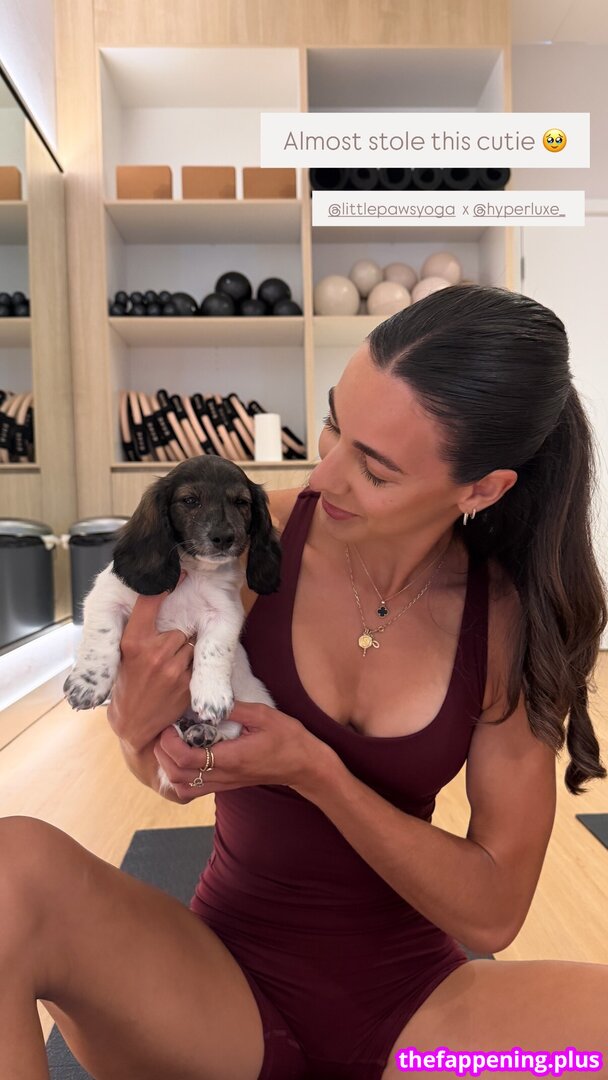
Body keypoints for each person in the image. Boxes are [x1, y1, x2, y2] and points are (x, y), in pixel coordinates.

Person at [1, 284, 607, 1080]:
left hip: (417, 1017)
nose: (324, 474)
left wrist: (316, 772)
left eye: (376, 469)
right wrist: (138, 736)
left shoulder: (505, 618)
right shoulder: (244, 545)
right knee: (10, 869)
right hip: (218, 993)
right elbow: (158, 768)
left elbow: (492, 913)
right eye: (334, 423)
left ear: (482, 488)